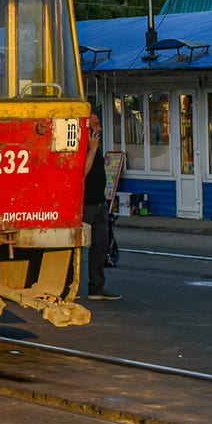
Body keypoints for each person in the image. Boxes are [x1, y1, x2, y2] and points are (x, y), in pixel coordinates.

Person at [83, 113, 120, 300]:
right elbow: (82, 173)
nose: (99, 129)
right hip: (84, 206)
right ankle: (65, 288)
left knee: (101, 245)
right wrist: (91, 149)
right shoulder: (83, 149)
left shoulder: (95, 149)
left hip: (99, 204)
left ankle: (96, 287)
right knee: (75, 248)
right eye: (95, 126)